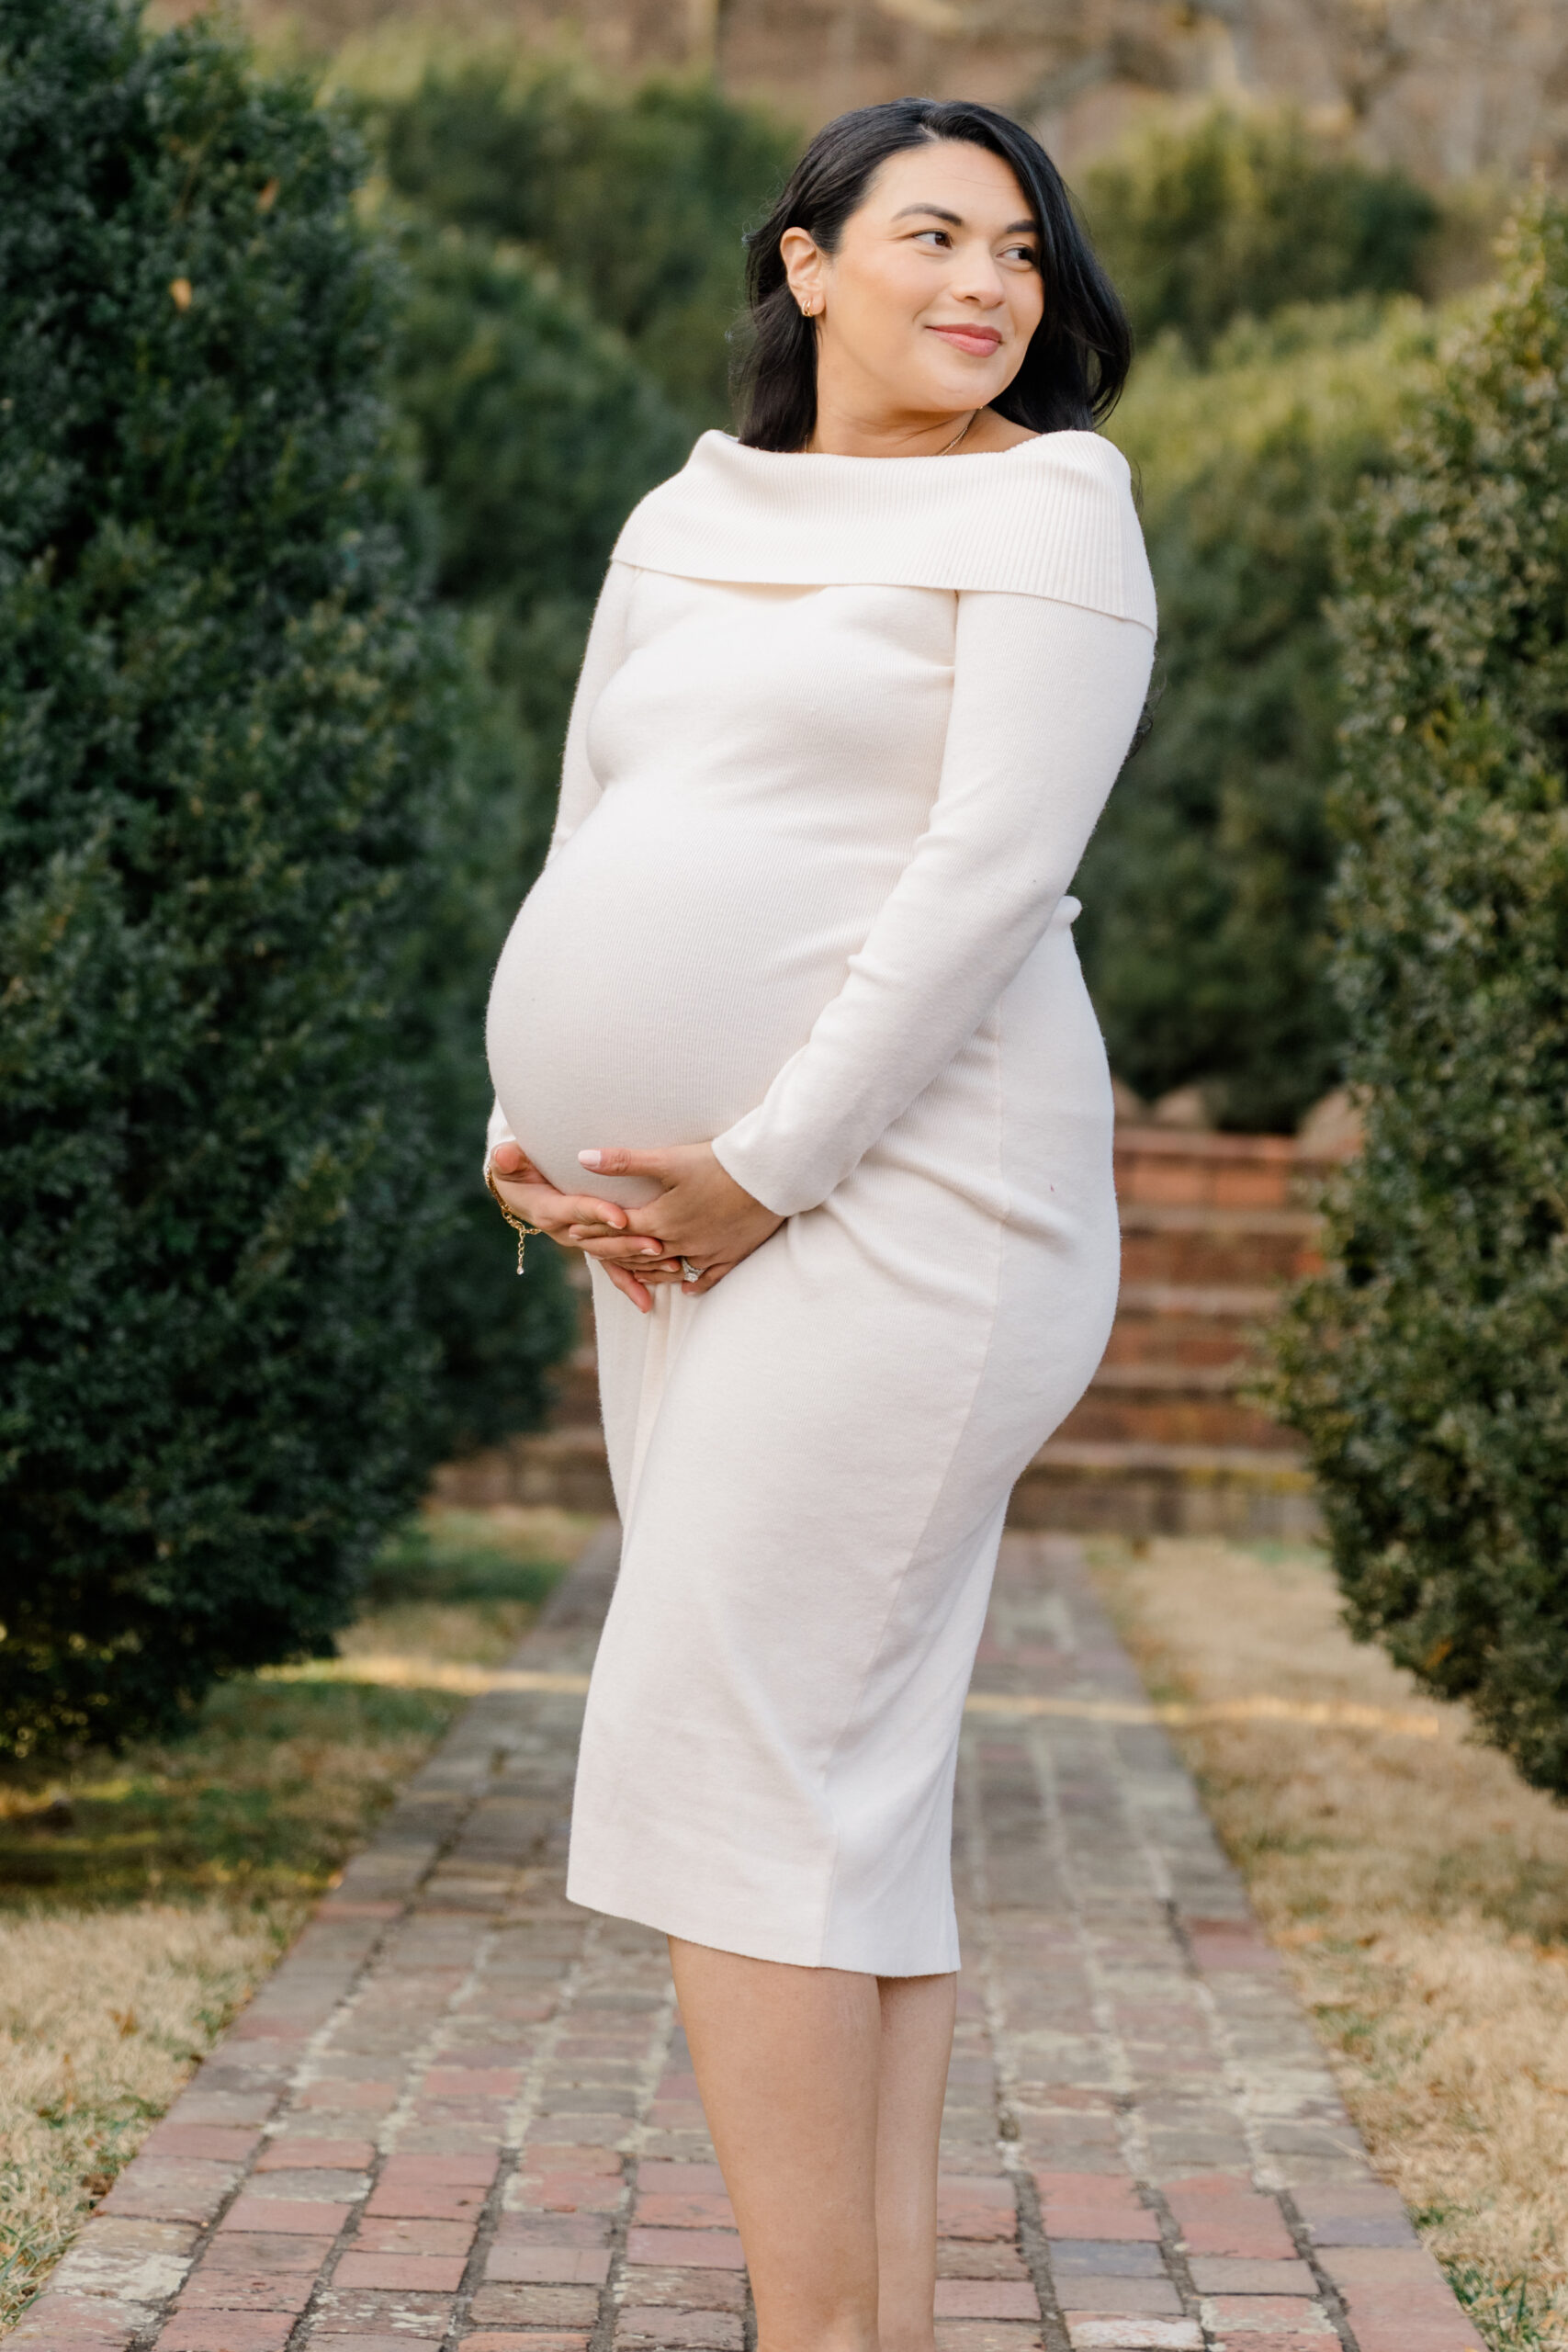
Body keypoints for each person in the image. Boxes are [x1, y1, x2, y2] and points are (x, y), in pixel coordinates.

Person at [482, 96, 1155, 2352]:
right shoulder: (684, 514)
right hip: (669, 1230)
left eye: (1021, 255)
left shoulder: (1053, 510)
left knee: (721, 1749)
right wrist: (528, 1108)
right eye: (933, 234)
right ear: (804, 264)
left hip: (911, 1212)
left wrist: (766, 1167)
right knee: (832, 1793)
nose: (986, 283)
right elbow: (597, 811)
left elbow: (986, 884)